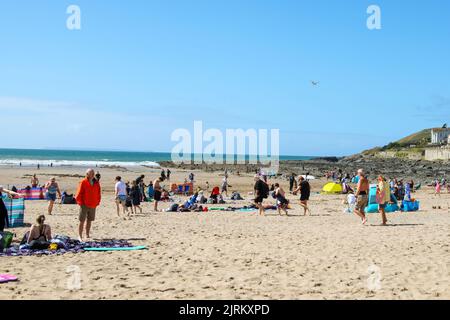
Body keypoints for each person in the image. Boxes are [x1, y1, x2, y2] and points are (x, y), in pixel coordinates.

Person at [75, 169, 101, 241]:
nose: (93, 174)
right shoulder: (83, 182)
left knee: (89, 220)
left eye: (93, 172)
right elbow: (78, 193)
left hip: (93, 204)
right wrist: (80, 202)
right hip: (84, 204)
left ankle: (87, 234)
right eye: (91, 173)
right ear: (87, 174)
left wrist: (98, 201)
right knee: (82, 220)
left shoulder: (96, 182)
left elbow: (98, 193)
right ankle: (80, 236)